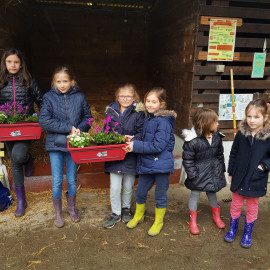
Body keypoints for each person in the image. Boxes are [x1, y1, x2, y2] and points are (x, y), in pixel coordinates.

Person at [39, 66, 91, 228]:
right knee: (56, 180)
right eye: (58, 81)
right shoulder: (48, 97)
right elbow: (44, 121)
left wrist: (79, 129)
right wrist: (69, 128)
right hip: (55, 144)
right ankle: (58, 213)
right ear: (54, 82)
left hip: (74, 144)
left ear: (72, 81)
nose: (62, 85)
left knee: (72, 179)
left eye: (65, 81)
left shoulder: (80, 97)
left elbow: (88, 117)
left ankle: (72, 208)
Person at [125, 87, 176, 236]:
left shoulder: (164, 122)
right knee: (140, 192)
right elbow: (145, 136)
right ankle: (139, 215)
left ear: (162, 104)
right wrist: (132, 139)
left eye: (154, 101)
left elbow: (158, 145)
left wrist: (135, 146)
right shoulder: (149, 118)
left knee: (160, 195)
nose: (150, 104)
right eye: (148, 101)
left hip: (161, 166)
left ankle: (158, 221)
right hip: (147, 163)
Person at [0, 48, 43, 217]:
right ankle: (21, 200)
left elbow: (41, 99)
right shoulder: (1, 81)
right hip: (6, 127)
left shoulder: (28, 80)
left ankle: (28, 158)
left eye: (16, 62)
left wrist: (40, 117)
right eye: (9, 62)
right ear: (5, 63)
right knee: (15, 161)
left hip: (25, 126)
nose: (13, 65)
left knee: (18, 157)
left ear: (21, 64)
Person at [224, 98, 270, 248]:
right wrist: (231, 171)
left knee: (252, 206)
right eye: (249, 116)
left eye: (256, 117)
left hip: (256, 178)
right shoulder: (241, 134)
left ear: (265, 118)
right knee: (236, 204)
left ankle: (248, 232)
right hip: (239, 176)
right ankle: (233, 228)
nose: (252, 120)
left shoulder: (268, 137)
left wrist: (264, 166)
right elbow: (234, 152)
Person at [103, 84, 144, 228]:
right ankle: (116, 212)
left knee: (128, 186)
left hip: (131, 153)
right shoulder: (111, 111)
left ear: (134, 98)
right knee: (115, 187)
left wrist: (132, 139)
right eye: (122, 96)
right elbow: (105, 131)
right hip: (114, 154)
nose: (125, 99)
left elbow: (141, 133)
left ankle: (126, 209)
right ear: (117, 97)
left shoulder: (139, 113)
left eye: (128, 96)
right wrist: (114, 137)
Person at [182, 108, 226, 235]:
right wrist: (192, 175)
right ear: (205, 123)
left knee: (212, 193)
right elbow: (187, 159)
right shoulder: (192, 140)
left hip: (213, 171)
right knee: (195, 194)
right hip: (198, 173)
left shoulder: (217, 136)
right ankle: (193, 221)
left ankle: (216, 216)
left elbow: (220, 154)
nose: (218, 124)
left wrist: (221, 169)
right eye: (215, 121)